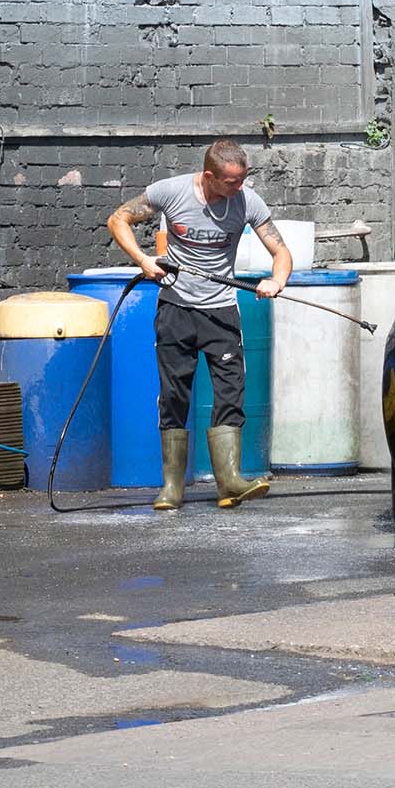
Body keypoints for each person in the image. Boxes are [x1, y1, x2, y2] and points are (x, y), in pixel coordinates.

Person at [107, 140, 292, 511]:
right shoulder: (171, 192)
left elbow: (281, 251)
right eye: (230, 182)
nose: (238, 188)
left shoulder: (247, 202)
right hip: (176, 308)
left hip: (221, 311)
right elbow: (118, 219)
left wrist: (277, 280)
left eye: (242, 180)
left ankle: (229, 481)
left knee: (230, 393)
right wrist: (143, 260)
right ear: (209, 176)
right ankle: (172, 488)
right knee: (175, 394)